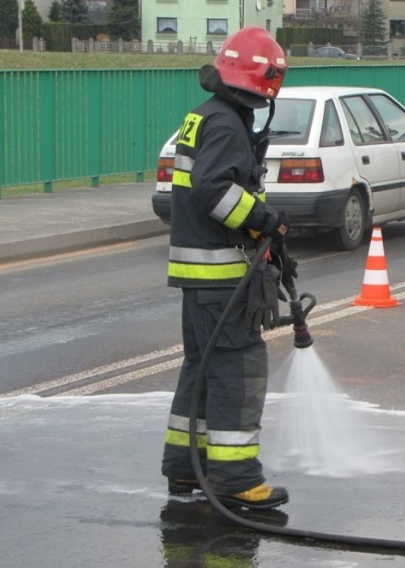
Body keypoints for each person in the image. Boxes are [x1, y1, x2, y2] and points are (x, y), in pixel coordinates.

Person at [161, 26, 291, 510]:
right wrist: (263, 220)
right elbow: (214, 191)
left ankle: (185, 468)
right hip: (219, 276)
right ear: (267, 80)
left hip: (197, 277)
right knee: (238, 369)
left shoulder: (202, 116)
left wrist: (263, 230)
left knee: (201, 368)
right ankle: (235, 477)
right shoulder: (226, 125)